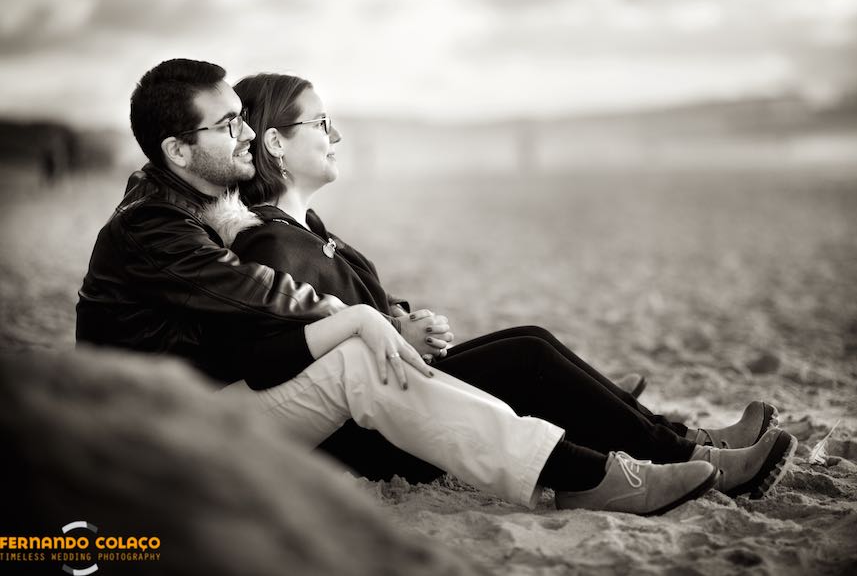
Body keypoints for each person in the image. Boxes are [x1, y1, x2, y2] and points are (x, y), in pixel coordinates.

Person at [74, 58, 724, 516]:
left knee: (404, 346)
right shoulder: (154, 224)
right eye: (226, 126)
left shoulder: (198, 200)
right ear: (178, 151)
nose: (244, 134)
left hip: (215, 405)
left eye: (243, 117)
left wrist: (379, 315)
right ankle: (590, 474)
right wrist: (358, 317)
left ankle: (600, 459)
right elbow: (257, 293)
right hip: (167, 438)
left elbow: (254, 312)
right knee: (365, 352)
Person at [211, 72, 797, 501]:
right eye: (320, 122)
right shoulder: (270, 244)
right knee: (528, 355)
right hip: (375, 431)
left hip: (399, 397)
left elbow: (348, 307)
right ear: (276, 143)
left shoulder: (303, 229)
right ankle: (687, 451)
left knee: (529, 347)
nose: (334, 134)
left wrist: (404, 321)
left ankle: (678, 438)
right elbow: (298, 355)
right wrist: (394, 329)